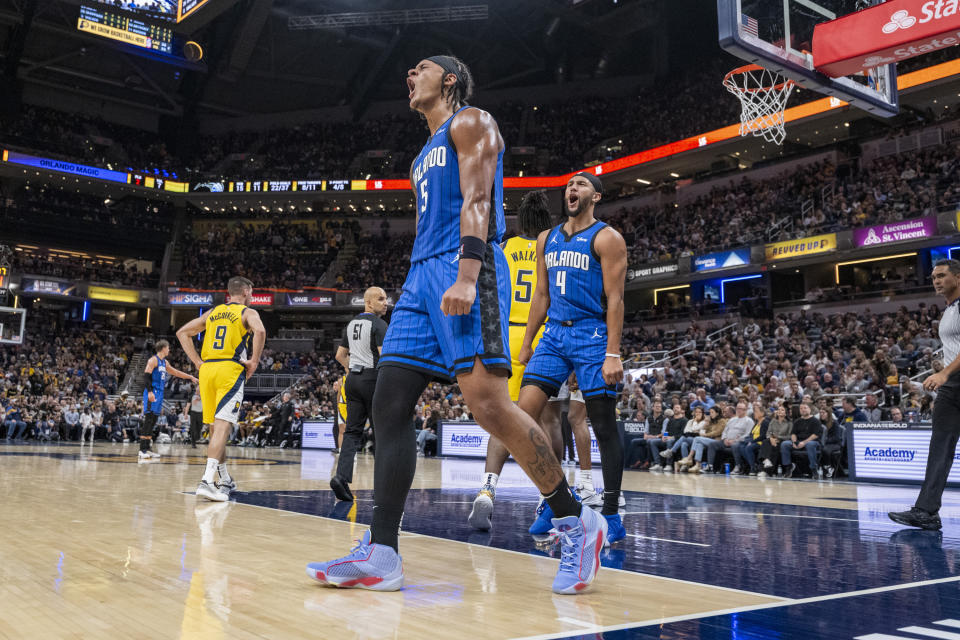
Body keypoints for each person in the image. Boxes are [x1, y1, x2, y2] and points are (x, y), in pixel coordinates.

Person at [307, 55, 607, 595]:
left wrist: (467, 272)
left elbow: (476, 199)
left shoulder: (471, 121)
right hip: (422, 276)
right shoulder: (424, 148)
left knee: (490, 405)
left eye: (419, 68)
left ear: (448, 79)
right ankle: (382, 552)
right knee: (388, 401)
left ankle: (576, 520)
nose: (408, 75)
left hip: (462, 265)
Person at [517, 170, 628, 543]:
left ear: (595, 196)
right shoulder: (545, 238)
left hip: (592, 335)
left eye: (580, 185)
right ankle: (556, 497)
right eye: (568, 185)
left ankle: (611, 512)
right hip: (553, 335)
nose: (571, 189)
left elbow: (616, 299)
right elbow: (541, 296)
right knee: (521, 414)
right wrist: (529, 339)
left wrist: (613, 352)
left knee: (602, 423)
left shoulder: (607, 238)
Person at [468, 189, 557, 528]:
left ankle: (487, 489)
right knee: (549, 419)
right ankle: (547, 498)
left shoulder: (503, 248)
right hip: (544, 336)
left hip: (507, 336)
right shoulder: (552, 247)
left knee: (504, 416)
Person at [176, 276, 266, 501]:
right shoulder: (247, 312)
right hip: (229, 370)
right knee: (223, 426)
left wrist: (197, 363)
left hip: (207, 371)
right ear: (245, 291)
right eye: (251, 293)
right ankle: (207, 481)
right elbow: (261, 332)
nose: (252, 297)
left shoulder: (213, 312)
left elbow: (182, 333)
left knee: (216, 429)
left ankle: (224, 478)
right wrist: (254, 361)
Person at [890, 260, 960, 530]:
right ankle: (926, 511)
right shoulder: (949, 309)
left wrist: (944, 374)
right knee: (939, 447)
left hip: (952, 380)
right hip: (952, 385)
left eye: (942, 276)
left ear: (957, 277)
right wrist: (944, 371)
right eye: (933, 277)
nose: (936, 281)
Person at [330, 286, 389, 502]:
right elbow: (385, 358)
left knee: (352, 432)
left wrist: (350, 368)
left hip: (352, 380)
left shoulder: (352, 323)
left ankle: (341, 478)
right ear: (369, 302)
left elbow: (339, 355)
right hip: (372, 379)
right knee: (381, 433)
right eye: (381, 299)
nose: (386, 303)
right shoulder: (380, 324)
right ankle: (383, 486)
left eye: (386, 299)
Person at [140, 340, 197, 462]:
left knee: (154, 420)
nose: (169, 350)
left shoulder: (164, 362)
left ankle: (148, 448)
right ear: (163, 348)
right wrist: (149, 392)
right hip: (152, 392)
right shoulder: (153, 360)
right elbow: (146, 377)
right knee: (148, 419)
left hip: (160, 393)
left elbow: (176, 372)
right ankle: (142, 450)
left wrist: (190, 377)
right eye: (168, 348)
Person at [782, 402, 821, 478]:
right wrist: (794, 442)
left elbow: (815, 435)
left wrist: (804, 442)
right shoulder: (797, 421)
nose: (803, 410)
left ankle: (813, 469)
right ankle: (788, 467)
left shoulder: (816, 421)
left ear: (810, 409)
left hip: (812, 442)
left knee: (810, 445)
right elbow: (793, 434)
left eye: (805, 408)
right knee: (785, 444)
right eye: (801, 408)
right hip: (799, 441)